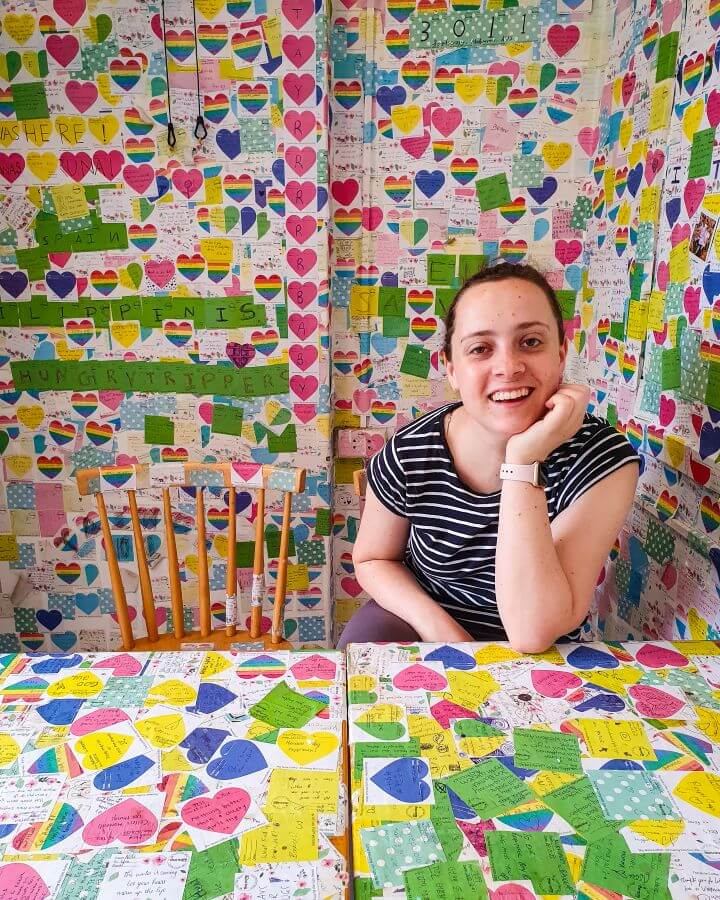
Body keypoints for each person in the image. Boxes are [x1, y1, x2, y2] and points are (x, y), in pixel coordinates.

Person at [339, 262, 640, 653]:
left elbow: (533, 631)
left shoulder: (602, 459)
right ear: (451, 369)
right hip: (428, 620)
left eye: (530, 342)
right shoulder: (411, 448)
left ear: (561, 354)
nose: (509, 367)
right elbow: (373, 559)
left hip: (542, 642)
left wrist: (523, 459)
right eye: (480, 349)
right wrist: (444, 633)